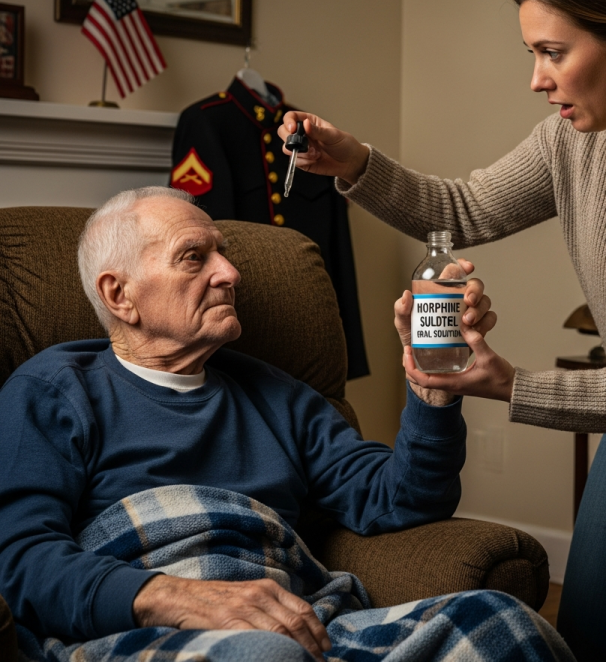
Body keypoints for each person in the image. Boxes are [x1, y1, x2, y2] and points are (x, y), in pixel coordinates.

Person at [277, 0, 606, 662]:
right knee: (584, 639)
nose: (537, 79)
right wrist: (353, 161)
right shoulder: (573, 140)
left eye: (553, 52)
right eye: (532, 53)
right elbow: (462, 209)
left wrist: (510, 384)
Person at [0, 186, 574, 662]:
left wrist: (432, 391)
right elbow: (19, 557)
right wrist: (177, 597)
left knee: (500, 621)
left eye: (224, 254)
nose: (230, 273)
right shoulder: (55, 391)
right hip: (142, 629)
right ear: (119, 294)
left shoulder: (274, 393)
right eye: (194, 257)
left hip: (299, 616)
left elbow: (398, 501)